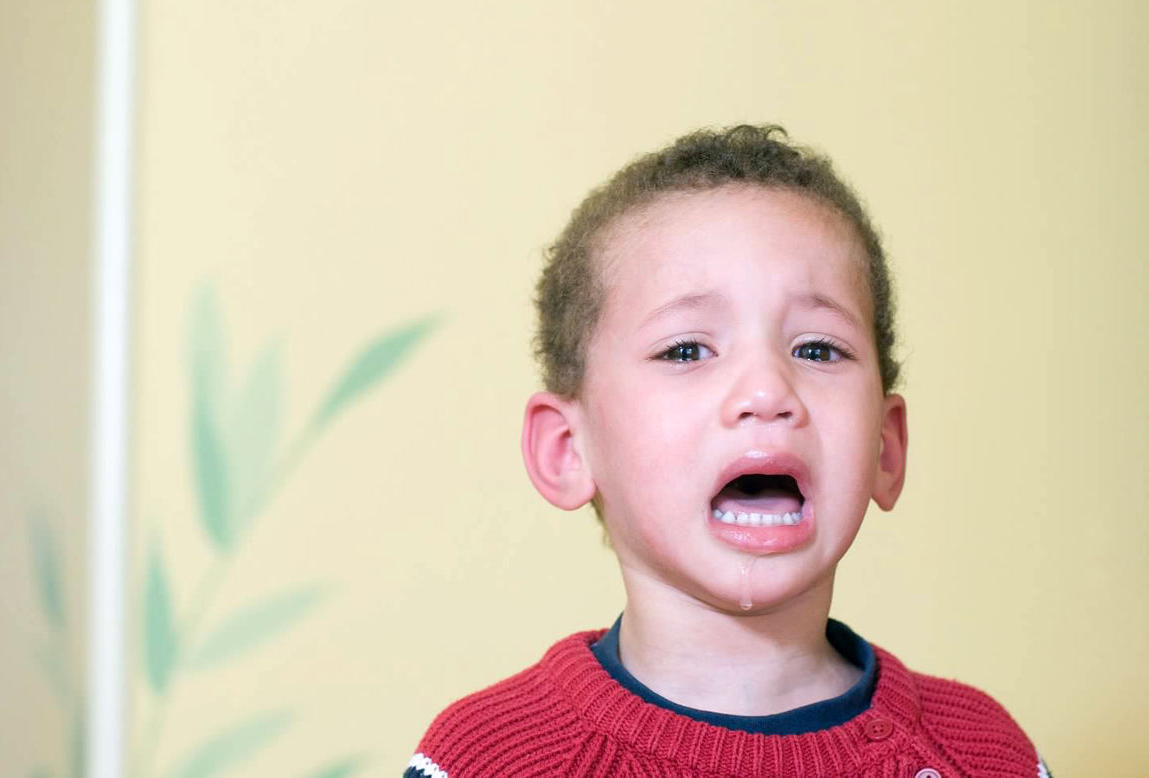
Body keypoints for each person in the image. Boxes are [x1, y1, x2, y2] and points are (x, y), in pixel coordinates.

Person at [405, 126, 1049, 778]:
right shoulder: (485, 761)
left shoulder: (987, 756)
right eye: (686, 350)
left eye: (818, 349)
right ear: (568, 450)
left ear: (886, 448)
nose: (768, 390)